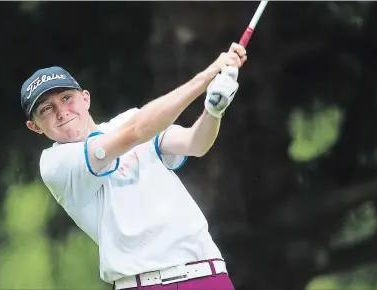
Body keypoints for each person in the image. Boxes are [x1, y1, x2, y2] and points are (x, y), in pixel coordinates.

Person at [21, 42, 247, 290]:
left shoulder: (128, 119)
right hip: (142, 283)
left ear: (85, 98)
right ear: (35, 127)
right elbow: (136, 131)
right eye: (46, 109)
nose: (61, 112)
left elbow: (195, 143)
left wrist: (214, 109)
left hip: (207, 273)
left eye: (66, 98)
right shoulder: (56, 164)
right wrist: (207, 76)